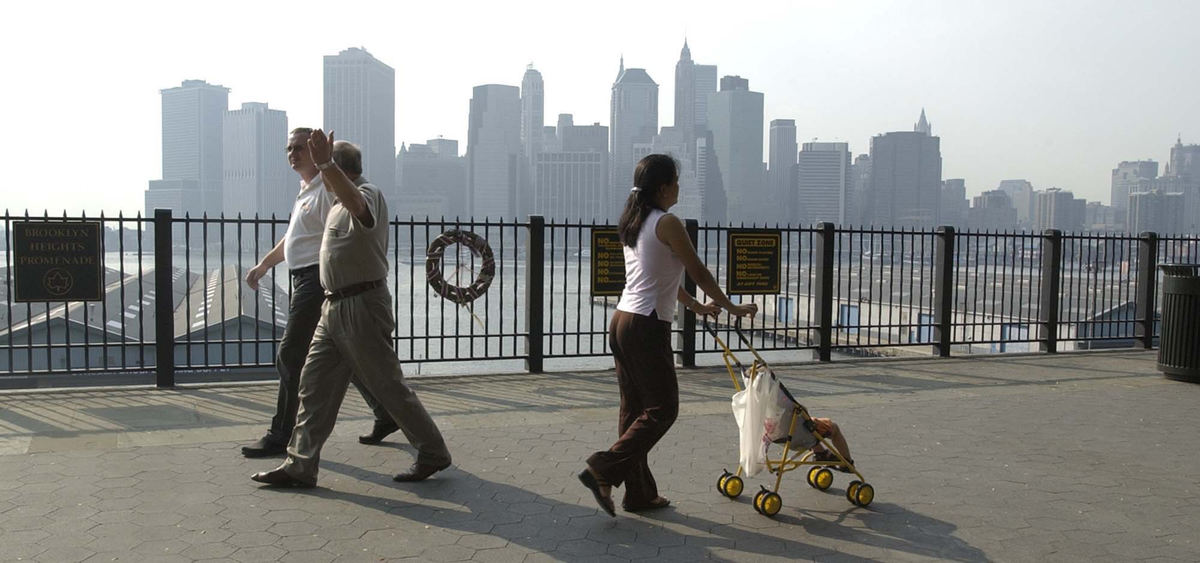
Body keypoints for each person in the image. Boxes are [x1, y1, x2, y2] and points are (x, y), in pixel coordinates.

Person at [252, 131, 452, 488]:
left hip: (362, 304)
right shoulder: (334, 204)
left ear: (339, 171)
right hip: (333, 307)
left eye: (327, 169)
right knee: (313, 386)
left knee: (388, 386)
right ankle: (300, 464)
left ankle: (433, 451)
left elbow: (360, 208)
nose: (321, 177)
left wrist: (325, 163)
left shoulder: (366, 194)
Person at [579, 154, 758, 516]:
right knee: (663, 409)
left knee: (634, 411)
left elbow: (664, 277)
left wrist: (696, 306)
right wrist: (733, 308)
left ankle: (640, 493)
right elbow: (699, 272)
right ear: (662, 187)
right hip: (645, 324)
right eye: (675, 181)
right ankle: (604, 467)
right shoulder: (669, 223)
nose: (679, 187)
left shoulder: (636, 220)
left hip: (623, 320)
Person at [240, 128, 400, 459]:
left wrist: (329, 166)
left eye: (300, 148)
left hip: (317, 282)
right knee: (346, 354)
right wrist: (264, 265)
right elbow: (294, 238)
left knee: (291, 354)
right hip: (302, 279)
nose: (293, 153)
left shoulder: (329, 188)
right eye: (289, 148)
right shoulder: (307, 191)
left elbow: (352, 204)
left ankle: (281, 434)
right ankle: (387, 414)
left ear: (318, 152)